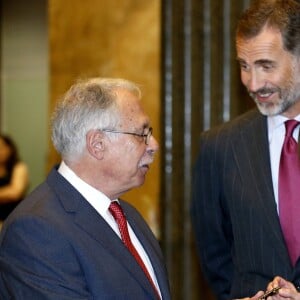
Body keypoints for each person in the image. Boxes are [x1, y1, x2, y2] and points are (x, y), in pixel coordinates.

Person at [0, 77, 171, 299]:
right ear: (97, 144)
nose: (154, 145)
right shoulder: (36, 230)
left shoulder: (127, 215)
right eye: (142, 134)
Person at [191, 0, 300, 299]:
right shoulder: (220, 147)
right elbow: (215, 259)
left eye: (266, 66)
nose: (253, 84)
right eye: (244, 66)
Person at [0, 134, 28, 225]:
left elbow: (15, 192)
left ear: (9, 149)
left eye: (1, 148)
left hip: (13, 218)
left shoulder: (18, 167)